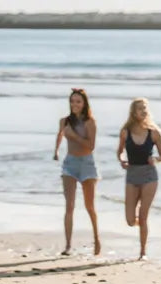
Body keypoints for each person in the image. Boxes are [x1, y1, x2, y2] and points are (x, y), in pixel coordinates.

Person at [52, 88, 101, 256]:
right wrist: (56, 151)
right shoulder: (64, 121)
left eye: (78, 101)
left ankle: (97, 239)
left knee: (89, 206)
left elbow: (91, 145)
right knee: (69, 206)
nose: (75, 104)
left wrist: (73, 136)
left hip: (87, 164)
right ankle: (67, 245)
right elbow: (60, 135)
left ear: (84, 103)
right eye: (72, 101)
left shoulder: (90, 122)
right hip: (70, 164)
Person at [117, 98, 161, 260]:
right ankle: (141, 226)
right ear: (133, 112)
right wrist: (122, 160)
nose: (143, 111)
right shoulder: (125, 131)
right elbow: (120, 152)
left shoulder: (154, 132)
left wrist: (156, 159)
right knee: (131, 220)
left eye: (145, 108)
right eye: (139, 109)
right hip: (132, 175)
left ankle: (143, 252)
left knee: (143, 215)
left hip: (149, 176)